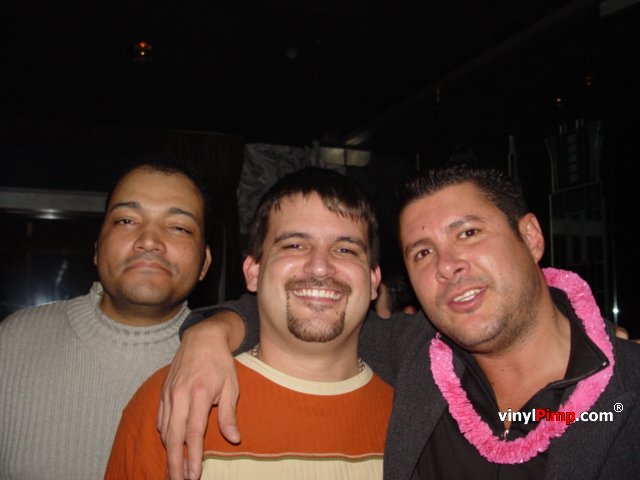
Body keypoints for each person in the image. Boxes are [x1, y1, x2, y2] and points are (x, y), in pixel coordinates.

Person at [159, 164, 640, 480]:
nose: (448, 266)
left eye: (469, 233)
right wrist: (212, 331)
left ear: (531, 236)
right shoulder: (416, 356)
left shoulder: (626, 392)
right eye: (423, 252)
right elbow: (314, 308)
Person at [105, 167, 393, 478]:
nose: (320, 267)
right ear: (253, 271)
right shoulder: (172, 404)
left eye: (345, 250)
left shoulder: (416, 420)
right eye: (295, 245)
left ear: (374, 280)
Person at [0, 156, 212, 479]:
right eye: (126, 220)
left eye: (179, 227)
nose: (149, 241)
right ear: (98, 249)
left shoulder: (227, 360)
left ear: (204, 264)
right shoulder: (13, 342)